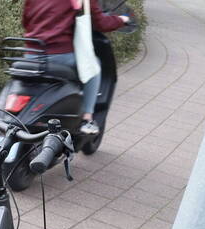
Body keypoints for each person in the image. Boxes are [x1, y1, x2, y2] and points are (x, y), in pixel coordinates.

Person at [23, 0, 130, 134]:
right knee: (93, 67)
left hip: (31, 55)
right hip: (60, 56)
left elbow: (26, 21)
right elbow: (101, 23)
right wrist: (121, 19)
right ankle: (87, 118)